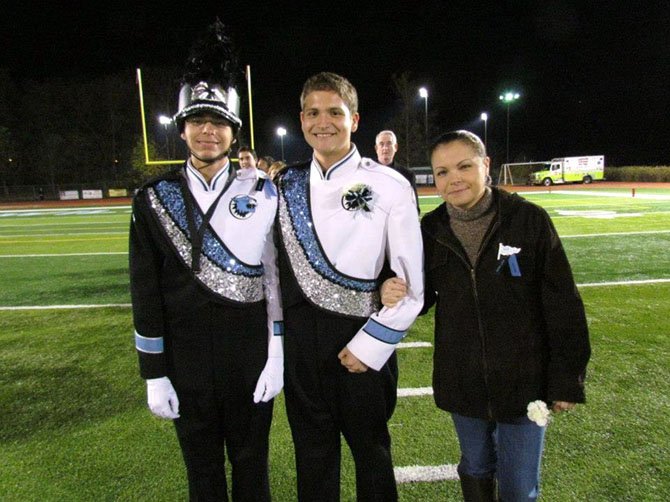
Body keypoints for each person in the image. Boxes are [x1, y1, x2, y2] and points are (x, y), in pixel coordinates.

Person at [382, 130, 591, 501]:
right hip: (462, 377)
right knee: (475, 467)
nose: (454, 179)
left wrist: (566, 379)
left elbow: (563, 305)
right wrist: (389, 286)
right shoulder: (429, 231)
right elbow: (419, 295)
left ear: (486, 165)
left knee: (518, 484)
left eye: (464, 166)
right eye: (442, 172)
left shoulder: (529, 221)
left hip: (525, 381)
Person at [129, 21, 283, 501]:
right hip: (185, 360)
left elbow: (275, 277)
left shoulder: (262, 191)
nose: (207, 131)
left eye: (218, 122)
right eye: (197, 121)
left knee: (252, 468)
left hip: (248, 357)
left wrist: (276, 352)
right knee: (202, 475)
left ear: (234, 132)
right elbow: (145, 287)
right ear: (182, 130)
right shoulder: (153, 198)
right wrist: (153, 372)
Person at [274, 71, 424, 501]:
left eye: (335, 113)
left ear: (354, 120)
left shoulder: (389, 184)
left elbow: (410, 283)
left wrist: (371, 346)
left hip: (360, 341)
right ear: (302, 119)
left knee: (371, 455)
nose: (324, 122)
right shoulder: (282, 186)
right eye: (313, 113)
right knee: (312, 458)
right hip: (302, 348)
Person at [374, 130, 419, 213]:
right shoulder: (367, 174)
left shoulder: (407, 175)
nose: (385, 148)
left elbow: (415, 209)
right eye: (381, 144)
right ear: (376, 148)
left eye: (389, 143)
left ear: (396, 147)